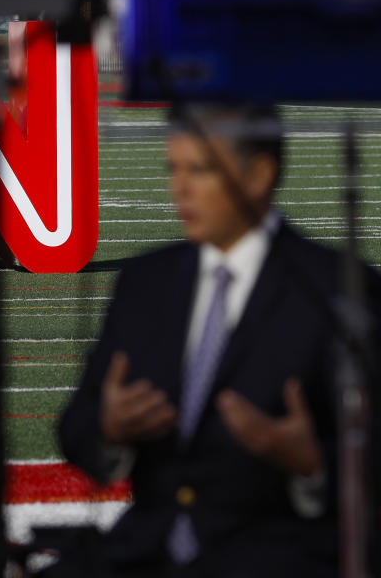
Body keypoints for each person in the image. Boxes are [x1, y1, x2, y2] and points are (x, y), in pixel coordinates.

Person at [58, 102, 380, 578]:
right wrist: (109, 430)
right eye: (174, 168)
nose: (179, 189)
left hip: (278, 559)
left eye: (201, 170)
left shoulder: (338, 289)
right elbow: (75, 427)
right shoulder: (144, 281)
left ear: (259, 176)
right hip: (144, 554)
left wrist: (313, 464)